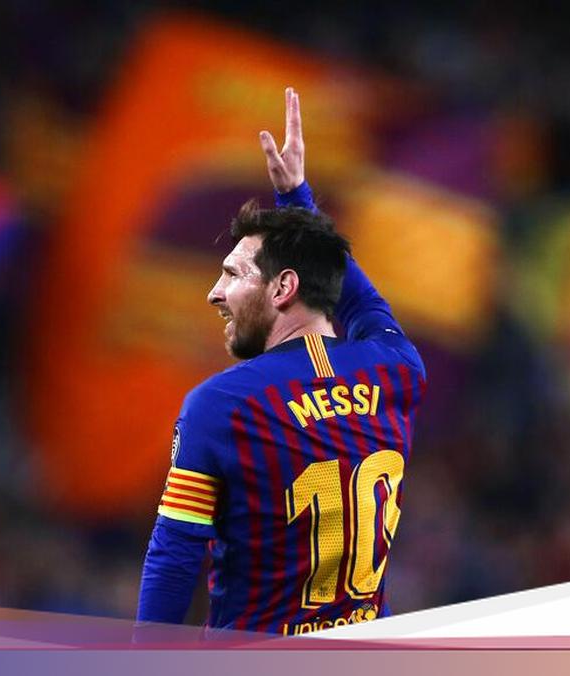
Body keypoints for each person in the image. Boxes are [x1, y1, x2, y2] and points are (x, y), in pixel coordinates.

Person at [136, 88, 426, 635]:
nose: (215, 293)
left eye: (232, 274)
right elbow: (359, 300)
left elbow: (174, 557)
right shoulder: (396, 368)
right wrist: (297, 198)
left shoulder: (221, 405)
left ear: (283, 288)